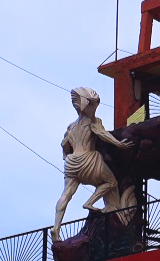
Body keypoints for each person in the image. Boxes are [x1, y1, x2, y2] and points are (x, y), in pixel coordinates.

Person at [52, 88, 134, 242]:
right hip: (88, 159)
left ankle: (56, 228)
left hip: (71, 163)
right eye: (95, 104)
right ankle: (89, 202)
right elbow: (103, 134)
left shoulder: (71, 127)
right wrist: (119, 144)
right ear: (89, 105)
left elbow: (64, 144)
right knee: (111, 182)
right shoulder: (94, 122)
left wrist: (65, 157)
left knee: (66, 195)